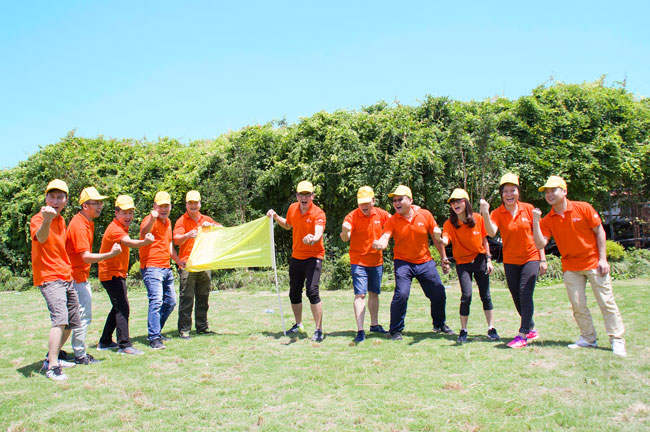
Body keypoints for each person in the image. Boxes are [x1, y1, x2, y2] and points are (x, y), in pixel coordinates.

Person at [532, 176, 626, 357]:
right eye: (547, 192)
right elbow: (540, 243)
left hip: (593, 263)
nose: (549, 194)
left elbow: (600, 231)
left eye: (553, 190)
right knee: (578, 305)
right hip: (570, 266)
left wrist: (603, 259)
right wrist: (536, 222)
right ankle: (588, 338)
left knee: (606, 302)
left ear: (564, 191)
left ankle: (617, 339)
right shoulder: (548, 219)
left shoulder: (583, 208)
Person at [372, 185, 452, 340]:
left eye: (400, 199)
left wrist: (444, 258)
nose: (396, 203)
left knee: (438, 292)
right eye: (394, 200)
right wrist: (380, 243)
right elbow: (385, 236)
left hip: (425, 262)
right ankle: (395, 330)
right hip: (403, 263)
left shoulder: (425, 215)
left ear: (410, 200)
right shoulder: (393, 220)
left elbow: (436, 238)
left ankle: (439, 324)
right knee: (401, 294)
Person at [479, 173, 547, 348]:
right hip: (510, 260)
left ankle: (523, 334)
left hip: (531, 257)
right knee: (516, 296)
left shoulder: (528, 209)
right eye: (505, 191)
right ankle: (530, 327)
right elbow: (491, 232)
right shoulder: (497, 213)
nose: (509, 194)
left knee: (525, 293)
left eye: (513, 190)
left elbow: (538, 235)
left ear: (518, 192)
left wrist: (542, 259)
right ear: (502, 194)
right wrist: (485, 212)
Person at [65, 187, 122, 364]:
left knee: (71, 318)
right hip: (75, 278)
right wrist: (110, 254)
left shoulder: (86, 222)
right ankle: (80, 355)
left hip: (78, 277)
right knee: (82, 316)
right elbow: (85, 256)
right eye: (95, 203)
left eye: (100, 202)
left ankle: (59, 353)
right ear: (85, 206)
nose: (100, 206)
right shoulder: (79, 225)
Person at [434, 188, 498, 344]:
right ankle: (463, 330)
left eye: (458, 201)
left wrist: (489, 260)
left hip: (480, 260)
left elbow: (485, 240)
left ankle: (491, 328)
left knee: (486, 295)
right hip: (462, 263)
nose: (455, 205)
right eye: (452, 202)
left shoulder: (478, 218)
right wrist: (440, 239)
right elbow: (446, 239)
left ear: (466, 202)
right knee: (466, 296)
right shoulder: (449, 223)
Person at [267, 181, 326, 342]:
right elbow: (287, 225)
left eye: (307, 194)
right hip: (297, 257)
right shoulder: (293, 208)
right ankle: (298, 324)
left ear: (312, 196)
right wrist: (276, 217)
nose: (304, 198)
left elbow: (318, 232)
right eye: (301, 194)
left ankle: (318, 330)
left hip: (314, 257)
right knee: (294, 293)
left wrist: (313, 238)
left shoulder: (318, 213)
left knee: (312, 292)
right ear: (297, 196)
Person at [31, 179, 79, 380]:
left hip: (65, 275)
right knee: (59, 320)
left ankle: (53, 356)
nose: (55, 201)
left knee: (71, 321)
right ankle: (52, 367)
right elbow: (41, 238)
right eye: (52, 196)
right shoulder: (39, 218)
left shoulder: (62, 220)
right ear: (46, 198)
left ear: (66, 201)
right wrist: (47, 220)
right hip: (49, 277)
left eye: (60, 197)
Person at [97, 195, 154, 355]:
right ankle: (124, 345)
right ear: (116, 213)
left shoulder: (120, 227)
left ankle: (105, 341)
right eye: (124, 213)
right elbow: (129, 242)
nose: (128, 216)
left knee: (117, 306)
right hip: (111, 274)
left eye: (130, 213)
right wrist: (144, 243)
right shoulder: (115, 229)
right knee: (123, 307)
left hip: (116, 273)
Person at [340, 186, 391, 343]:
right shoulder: (351, 216)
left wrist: (383, 240)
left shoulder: (382, 214)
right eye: (361, 203)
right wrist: (345, 231)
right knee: (360, 294)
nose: (364, 206)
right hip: (359, 261)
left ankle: (374, 325)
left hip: (376, 261)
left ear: (373, 201)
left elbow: (394, 224)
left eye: (367, 202)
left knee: (374, 293)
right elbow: (345, 238)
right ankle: (360, 330)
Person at [173, 190, 220, 339]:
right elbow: (176, 240)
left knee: (203, 297)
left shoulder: (206, 219)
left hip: (204, 264)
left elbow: (222, 230)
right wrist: (187, 235)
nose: (193, 206)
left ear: (200, 204)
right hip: (188, 264)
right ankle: (184, 330)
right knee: (187, 298)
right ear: (186, 204)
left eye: (195, 203)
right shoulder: (181, 221)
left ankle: (202, 327)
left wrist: (211, 226)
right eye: (190, 203)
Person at [140, 191, 184, 349]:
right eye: (161, 206)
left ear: (170, 206)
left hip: (166, 267)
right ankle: (154, 338)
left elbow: (169, 243)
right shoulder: (149, 220)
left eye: (167, 206)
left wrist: (177, 260)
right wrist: (152, 218)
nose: (164, 209)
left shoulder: (168, 222)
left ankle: (156, 331)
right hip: (152, 267)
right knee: (156, 301)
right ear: (155, 206)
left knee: (171, 302)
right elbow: (144, 232)